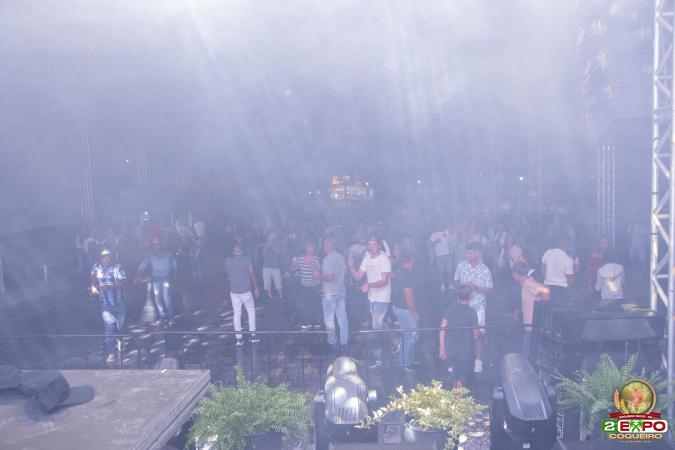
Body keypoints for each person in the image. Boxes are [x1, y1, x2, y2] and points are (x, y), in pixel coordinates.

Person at [348, 235, 392, 369]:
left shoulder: (384, 259)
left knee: (376, 325)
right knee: (378, 324)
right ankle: (393, 341)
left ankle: (378, 359)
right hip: (372, 296)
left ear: (379, 246)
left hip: (382, 296)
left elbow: (385, 281)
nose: (371, 247)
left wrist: (369, 285)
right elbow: (358, 277)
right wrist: (351, 266)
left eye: (374, 244)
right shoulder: (366, 259)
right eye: (369, 244)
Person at [453, 242, 493, 373]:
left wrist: (475, 288)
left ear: (477, 254)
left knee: (477, 335)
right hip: (462, 306)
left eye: (470, 252)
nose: (467, 255)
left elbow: (489, 289)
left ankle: (478, 361)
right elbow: (455, 280)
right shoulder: (461, 265)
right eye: (467, 252)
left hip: (478, 307)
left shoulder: (485, 269)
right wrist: (460, 287)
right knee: (459, 333)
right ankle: (457, 361)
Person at [439, 285, 481, 389]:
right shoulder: (471, 312)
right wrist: (482, 336)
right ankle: (458, 398)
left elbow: (442, 328)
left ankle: (455, 396)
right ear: (470, 297)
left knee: (456, 375)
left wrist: (442, 348)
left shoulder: (450, 308)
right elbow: (476, 333)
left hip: (451, 348)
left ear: (457, 296)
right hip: (465, 349)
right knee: (461, 378)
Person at [90, 249, 127, 363]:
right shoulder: (96, 266)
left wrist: (111, 286)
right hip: (105, 305)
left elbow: (124, 282)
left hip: (119, 303)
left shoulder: (117, 267)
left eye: (109, 256)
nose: (107, 258)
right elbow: (93, 278)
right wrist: (93, 287)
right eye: (104, 256)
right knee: (110, 326)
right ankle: (111, 352)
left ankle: (119, 340)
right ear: (101, 258)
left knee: (119, 327)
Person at [315, 237, 349, 348]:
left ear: (329, 246)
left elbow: (330, 277)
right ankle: (344, 342)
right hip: (341, 292)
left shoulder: (327, 259)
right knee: (342, 319)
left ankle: (332, 342)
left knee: (329, 319)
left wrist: (318, 276)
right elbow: (344, 274)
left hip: (330, 294)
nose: (323, 247)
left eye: (324, 244)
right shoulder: (341, 257)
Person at [224, 241, 260, 346]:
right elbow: (252, 274)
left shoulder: (228, 261)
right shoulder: (247, 259)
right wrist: (256, 288)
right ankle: (252, 336)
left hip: (234, 291)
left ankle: (239, 339)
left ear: (234, 251)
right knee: (251, 311)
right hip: (245, 291)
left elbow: (228, 274)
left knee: (236, 313)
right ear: (243, 251)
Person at [390, 249, 420, 371]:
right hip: (404, 309)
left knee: (410, 335)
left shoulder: (399, 271)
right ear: (411, 259)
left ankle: (408, 359)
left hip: (398, 307)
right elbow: (409, 296)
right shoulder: (407, 274)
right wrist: (414, 312)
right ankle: (406, 364)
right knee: (411, 336)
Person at [512, 261, 550, 358]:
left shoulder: (528, 283)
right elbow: (528, 300)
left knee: (528, 350)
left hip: (531, 324)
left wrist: (544, 308)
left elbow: (546, 290)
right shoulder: (526, 283)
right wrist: (519, 310)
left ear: (516, 275)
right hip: (529, 323)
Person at [137, 237, 178, 325]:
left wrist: (175, 272)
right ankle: (162, 317)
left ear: (162, 244)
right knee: (157, 298)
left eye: (158, 244)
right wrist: (139, 272)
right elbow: (144, 263)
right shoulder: (150, 254)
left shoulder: (168, 253)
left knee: (166, 297)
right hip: (156, 278)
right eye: (155, 244)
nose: (157, 246)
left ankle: (171, 317)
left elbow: (173, 263)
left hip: (166, 278)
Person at [293, 241, 322, 329]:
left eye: (311, 248)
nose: (309, 250)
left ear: (313, 250)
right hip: (304, 286)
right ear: (305, 249)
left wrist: (310, 264)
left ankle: (318, 322)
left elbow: (318, 272)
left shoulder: (315, 259)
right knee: (306, 305)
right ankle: (308, 321)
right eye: (308, 248)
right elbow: (294, 269)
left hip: (314, 285)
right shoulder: (301, 259)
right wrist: (293, 264)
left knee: (315, 304)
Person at [541, 236, 577, 302]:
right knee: (560, 307)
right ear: (566, 245)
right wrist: (577, 269)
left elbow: (542, 269)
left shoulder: (548, 252)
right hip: (562, 289)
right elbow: (570, 280)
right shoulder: (568, 260)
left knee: (548, 306)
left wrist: (548, 278)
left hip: (548, 286)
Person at [430, 221, 453, 291]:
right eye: (439, 225)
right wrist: (436, 242)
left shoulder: (445, 232)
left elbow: (452, 229)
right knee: (441, 271)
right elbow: (430, 245)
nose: (440, 226)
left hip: (447, 254)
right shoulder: (434, 235)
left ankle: (450, 284)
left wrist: (446, 223)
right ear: (437, 226)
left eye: (441, 225)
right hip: (439, 256)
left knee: (449, 270)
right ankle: (442, 284)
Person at [262, 232, 284, 299]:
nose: (271, 237)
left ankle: (280, 296)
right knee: (267, 283)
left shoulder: (278, 244)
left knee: (278, 282)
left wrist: (272, 246)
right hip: (266, 267)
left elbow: (278, 253)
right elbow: (262, 255)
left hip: (275, 267)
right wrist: (267, 246)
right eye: (270, 236)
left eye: (273, 236)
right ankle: (270, 296)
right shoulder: (265, 244)